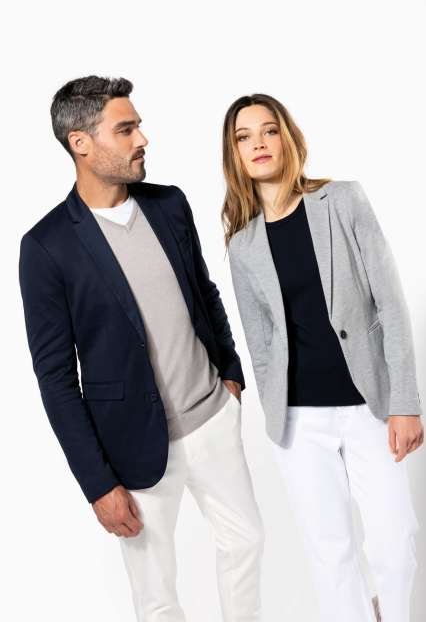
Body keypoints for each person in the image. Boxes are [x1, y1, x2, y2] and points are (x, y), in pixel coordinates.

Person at [18, 76, 264, 622]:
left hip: (212, 417)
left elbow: (203, 292)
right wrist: (98, 483)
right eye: (126, 129)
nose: (142, 139)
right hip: (133, 447)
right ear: (81, 142)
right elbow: (55, 379)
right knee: (156, 596)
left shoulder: (169, 204)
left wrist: (230, 374)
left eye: (139, 126)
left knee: (246, 543)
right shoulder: (46, 247)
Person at [222, 93, 423, 622]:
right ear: (234, 154)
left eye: (269, 130)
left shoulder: (343, 200)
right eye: (244, 137)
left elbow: (390, 303)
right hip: (299, 422)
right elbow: (261, 342)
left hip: (369, 408)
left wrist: (405, 402)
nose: (259, 144)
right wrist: (274, 413)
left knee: (395, 543)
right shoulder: (242, 245)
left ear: (287, 137)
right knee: (330, 555)